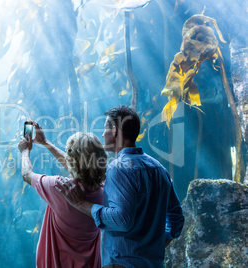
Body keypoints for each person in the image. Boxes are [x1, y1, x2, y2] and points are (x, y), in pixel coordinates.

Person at [55, 106, 185, 268]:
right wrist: (154, 244)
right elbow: (176, 219)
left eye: (105, 129)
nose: (102, 135)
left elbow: (121, 220)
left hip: (122, 263)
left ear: (115, 131)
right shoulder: (159, 169)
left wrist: (81, 204)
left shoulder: (119, 168)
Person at [18, 121, 107, 268]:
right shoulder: (104, 190)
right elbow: (82, 167)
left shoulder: (60, 188)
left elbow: (26, 174)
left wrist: (25, 151)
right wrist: (46, 143)